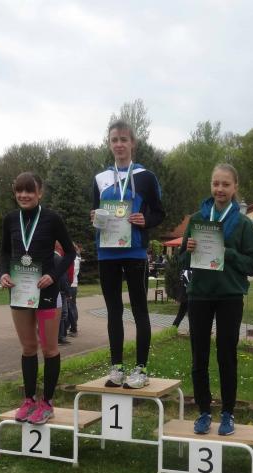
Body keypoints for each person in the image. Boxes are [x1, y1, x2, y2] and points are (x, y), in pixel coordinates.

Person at [180, 164, 253, 436]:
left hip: (230, 296)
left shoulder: (243, 223)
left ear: (235, 187)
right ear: (210, 185)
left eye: (226, 184)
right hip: (200, 295)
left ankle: (228, 412)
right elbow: (182, 261)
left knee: (227, 356)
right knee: (199, 356)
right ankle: (203, 411)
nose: (220, 189)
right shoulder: (197, 220)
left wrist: (228, 252)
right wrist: (188, 251)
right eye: (216, 183)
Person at [91, 119, 165, 389]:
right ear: (109, 144)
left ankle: (141, 369)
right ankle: (117, 368)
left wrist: (146, 220)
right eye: (114, 140)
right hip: (107, 252)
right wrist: (94, 217)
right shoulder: (100, 178)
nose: (119, 144)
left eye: (124, 139)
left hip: (134, 251)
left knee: (139, 309)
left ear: (133, 143)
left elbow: (159, 212)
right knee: (113, 311)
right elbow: (95, 212)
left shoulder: (146, 176)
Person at [0, 172, 76, 426]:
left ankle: (48, 402)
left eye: (29, 191)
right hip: (20, 292)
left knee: (49, 348)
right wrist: (3, 273)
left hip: (47, 292)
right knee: (28, 348)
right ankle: (29, 400)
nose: (24, 195)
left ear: (40, 193)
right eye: (19, 191)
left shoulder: (52, 218)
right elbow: (4, 253)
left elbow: (70, 253)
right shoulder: (10, 219)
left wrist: (53, 276)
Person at [68, 243, 81, 336]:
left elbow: (72, 272)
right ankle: (72, 326)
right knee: (72, 305)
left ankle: (74, 327)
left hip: (71, 285)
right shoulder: (75, 258)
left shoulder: (74, 259)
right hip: (72, 284)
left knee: (71, 306)